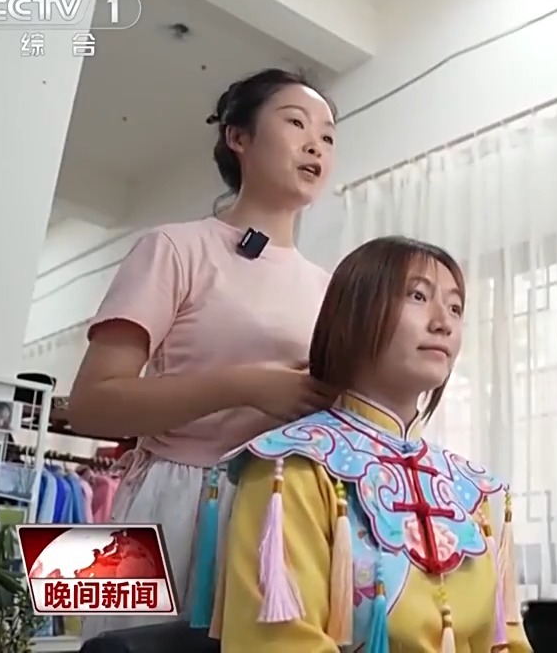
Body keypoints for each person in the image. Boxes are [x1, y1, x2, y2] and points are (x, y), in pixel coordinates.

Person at [65, 68, 336, 637]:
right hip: (169, 501)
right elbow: (91, 405)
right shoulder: (173, 248)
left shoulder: (330, 287)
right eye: (296, 123)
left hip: (283, 513)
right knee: (124, 651)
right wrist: (246, 386)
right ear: (238, 137)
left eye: (328, 135)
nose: (316, 144)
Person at [215, 236, 531, 653]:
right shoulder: (291, 467)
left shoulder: (473, 489)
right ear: (356, 313)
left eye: (456, 307)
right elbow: (280, 643)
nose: (444, 322)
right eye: (418, 296)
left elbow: (505, 642)